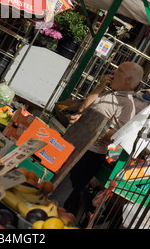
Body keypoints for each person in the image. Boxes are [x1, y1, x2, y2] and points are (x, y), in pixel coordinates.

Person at [51, 61, 145, 216]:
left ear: (129, 80)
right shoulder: (111, 93)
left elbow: (118, 135)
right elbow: (83, 109)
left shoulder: (126, 104)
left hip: (88, 155)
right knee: (49, 184)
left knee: (57, 199)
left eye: (119, 71)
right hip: (74, 144)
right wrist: (100, 86)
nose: (113, 72)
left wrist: (91, 125)